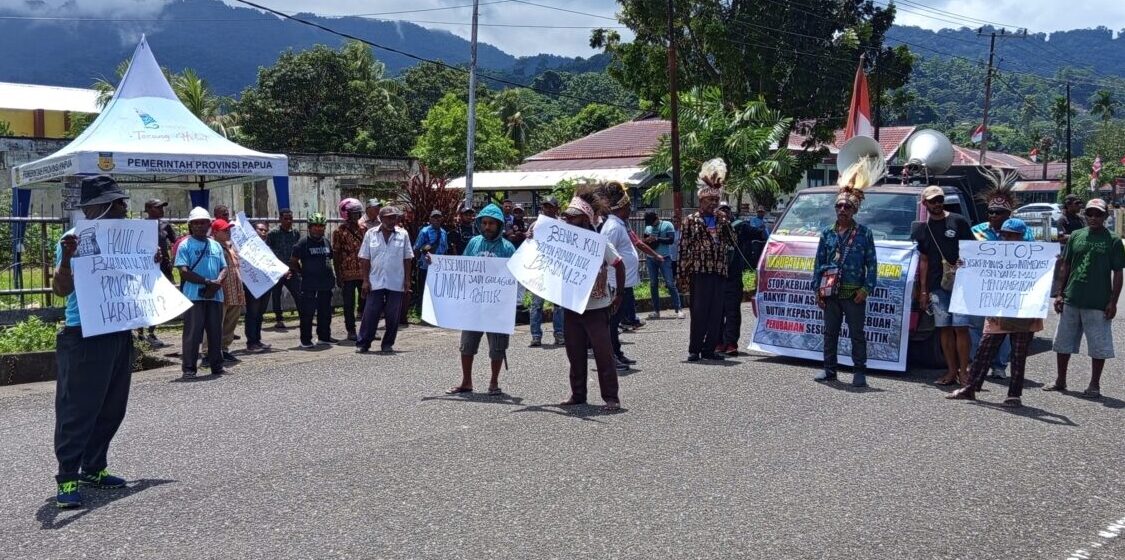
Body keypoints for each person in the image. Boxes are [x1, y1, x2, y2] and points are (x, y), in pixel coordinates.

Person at [50, 176, 138, 508]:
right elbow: (60, 290)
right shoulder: (72, 240)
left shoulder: (125, 240)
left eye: (122, 203)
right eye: (117, 203)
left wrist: (150, 263)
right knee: (78, 409)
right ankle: (68, 477)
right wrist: (68, 260)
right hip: (84, 335)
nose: (123, 208)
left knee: (112, 406)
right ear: (95, 209)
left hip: (118, 330)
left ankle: (94, 467)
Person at [947, 219, 1042, 407]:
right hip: (998, 310)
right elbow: (979, 272)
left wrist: (1052, 262)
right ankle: (970, 388)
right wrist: (965, 264)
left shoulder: (1033, 256)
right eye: (1005, 234)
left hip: (1023, 312)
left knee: (1018, 354)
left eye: (1012, 235)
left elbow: (1043, 279)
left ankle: (1014, 395)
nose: (1007, 238)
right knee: (984, 349)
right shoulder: (994, 253)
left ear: (1021, 236)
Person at [1045, 198, 1124, 399]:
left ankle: (1094, 384)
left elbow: (1118, 273)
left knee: (1098, 345)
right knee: (1063, 342)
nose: (1094, 218)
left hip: (1098, 301)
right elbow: (1066, 265)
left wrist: (1113, 302)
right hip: (1072, 298)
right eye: (1090, 213)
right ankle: (1060, 380)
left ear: (1106, 216)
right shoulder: (1076, 237)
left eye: (1098, 214)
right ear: (1085, 215)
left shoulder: (1113, 240)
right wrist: (1060, 293)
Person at [809, 161, 880, 387]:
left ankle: (860, 371)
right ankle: (829, 370)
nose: (842, 210)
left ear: (855, 209)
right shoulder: (826, 234)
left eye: (847, 207)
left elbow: (872, 264)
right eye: (839, 206)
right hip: (830, 293)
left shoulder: (864, 233)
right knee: (830, 333)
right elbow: (818, 263)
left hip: (853, 294)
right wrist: (817, 290)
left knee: (857, 334)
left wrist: (866, 289)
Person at [558, 183, 626, 412]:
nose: (567, 220)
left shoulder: (599, 242)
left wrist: (619, 295)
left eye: (572, 217)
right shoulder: (564, 241)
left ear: (585, 219)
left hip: (597, 306)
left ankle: (611, 397)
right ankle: (578, 394)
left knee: (602, 352)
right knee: (574, 352)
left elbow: (619, 264)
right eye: (566, 216)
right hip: (571, 305)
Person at [966, 171, 1032, 380]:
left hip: (1010, 288)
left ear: (1008, 215)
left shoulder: (1024, 233)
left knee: (1005, 327)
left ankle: (1000, 365)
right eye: (991, 211)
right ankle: (978, 363)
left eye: (999, 212)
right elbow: (967, 255)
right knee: (978, 326)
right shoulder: (976, 231)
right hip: (981, 286)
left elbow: (1034, 258)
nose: (993, 215)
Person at [445, 203, 517, 396]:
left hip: (497, 307)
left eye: (491, 223)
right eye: (484, 223)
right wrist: (434, 264)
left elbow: (514, 275)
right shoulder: (474, 243)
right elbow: (462, 268)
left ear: (499, 225)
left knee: (497, 347)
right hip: (473, 305)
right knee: (467, 345)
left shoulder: (508, 248)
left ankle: (494, 382)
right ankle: (466, 382)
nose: (487, 227)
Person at [911, 185, 975, 386]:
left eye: (940, 200)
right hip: (937, 286)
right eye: (933, 201)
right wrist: (923, 290)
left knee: (961, 327)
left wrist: (964, 261)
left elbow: (971, 249)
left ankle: (964, 372)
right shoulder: (922, 228)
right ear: (925, 204)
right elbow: (924, 260)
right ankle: (950, 372)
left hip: (960, 283)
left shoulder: (958, 221)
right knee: (944, 328)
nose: (937, 204)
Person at [678, 159, 734, 362]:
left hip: (718, 271)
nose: (713, 204)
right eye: (709, 201)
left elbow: (732, 242)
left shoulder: (721, 220)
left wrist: (727, 223)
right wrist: (682, 275)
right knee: (699, 312)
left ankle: (709, 349)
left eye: (715, 201)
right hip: (699, 272)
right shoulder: (690, 221)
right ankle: (695, 349)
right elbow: (683, 248)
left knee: (716, 313)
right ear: (700, 201)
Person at [599, 182, 650, 369]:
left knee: (617, 321)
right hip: (614, 283)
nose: (630, 209)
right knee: (612, 322)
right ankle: (611, 356)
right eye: (628, 206)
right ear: (621, 207)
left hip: (624, 283)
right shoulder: (613, 227)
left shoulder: (619, 225)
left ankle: (617, 352)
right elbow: (604, 254)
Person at [176, 207, 228, 381]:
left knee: (215, 332)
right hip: (194, 296)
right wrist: (207, 282)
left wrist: (218, 282)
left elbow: (224, 267)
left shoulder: (215, 245)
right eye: (196, 223)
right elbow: (183, 271)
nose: (199, 226)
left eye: (203, 222)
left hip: (215, 294)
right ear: (190, 225)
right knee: (193, 333)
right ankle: (189, 369)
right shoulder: (185, 245)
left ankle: (217, 365)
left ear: (209, 224)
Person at [356, 206, 414, 354]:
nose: (391, 220)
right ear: (381, 219)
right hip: (375, 281)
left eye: (394, 217)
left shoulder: (403, 234)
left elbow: (407, 258)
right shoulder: (371, 234)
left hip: (396, 281)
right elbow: (365, 258)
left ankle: (387, 343)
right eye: (388, 217)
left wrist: (407, 280)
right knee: (370, 313)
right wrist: (365, 280)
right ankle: (364, 342)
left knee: (392, 315)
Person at [716, 201, 766, 356]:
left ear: (730, 213)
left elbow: (760, 234)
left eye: (726, 210)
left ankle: (731, 342)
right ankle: (717, 341)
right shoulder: (710, 228)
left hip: (734, 276)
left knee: (732, 311)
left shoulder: (740, 227)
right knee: (717, 312)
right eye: (720, 210)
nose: (723, 213)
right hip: (716, 277)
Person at [291, 212, 337, 348]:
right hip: (309, 284)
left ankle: (324, 337)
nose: (319, 229)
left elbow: (330, 259)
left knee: (325, 312)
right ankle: (306, 340)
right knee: (307, 314)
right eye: (315, 226)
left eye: (321, 226)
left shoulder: (326, 241)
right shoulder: (303, 243)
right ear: (309, 227)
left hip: (325, 284)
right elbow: (293, 261)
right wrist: (302, 273)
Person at [135, 198, 175, 348]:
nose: (161, 210)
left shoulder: (166, 225)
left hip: (163, 268)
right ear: (149, 209)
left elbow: (175, 243)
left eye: (162, 207)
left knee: (158, 300)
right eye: (158, 207)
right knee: (143, 300)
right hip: (145, 268)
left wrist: (173, 260)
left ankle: (151, 332)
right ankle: (140, 333)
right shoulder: (141, 226)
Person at [205, 218, 245, 363]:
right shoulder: (212, 247)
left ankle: (223, 349)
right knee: (215, 322)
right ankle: (208, 352)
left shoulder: (229, 246)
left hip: (234, 290)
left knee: (230, 322)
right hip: (221, 291)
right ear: (215, 232)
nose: (228, 231)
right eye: (225, 230)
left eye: (229, 229)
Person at [528, 197, 565, 347]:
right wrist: (528, 237)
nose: (547, 210)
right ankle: (536, 335)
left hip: (557, 271)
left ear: (557, 208)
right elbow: (528, 245)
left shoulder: (563, 225)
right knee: (537, 305)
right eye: (545, 207)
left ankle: (560, 333)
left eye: (550, 207)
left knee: (559, 305)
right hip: (540, 270)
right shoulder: (535, 225)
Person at [333, 200, 368, 341]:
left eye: (358, 213)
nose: (356, 216)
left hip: (363, 271)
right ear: (346, 214)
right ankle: (351, 329)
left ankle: (367, 328)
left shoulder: (364, 229)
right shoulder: (339, 231)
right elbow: (336, 254)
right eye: (353, 213)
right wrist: (338, 274)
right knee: (348, 303)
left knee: (365, 301)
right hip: (346, 272)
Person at [643, 211, 684, 320]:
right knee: (653, 284)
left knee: (670, 283)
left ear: (657, 217)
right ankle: (656, 311)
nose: (651, 224)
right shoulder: (648, 228)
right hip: (651, 258)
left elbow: (671, 240)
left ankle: (679, 309)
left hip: (665, 258)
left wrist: (657, 239)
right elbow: (644, 242)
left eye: (652, 222)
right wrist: (648, 240)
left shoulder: (667, 225)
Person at [266, 208, 302, 329]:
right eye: (285, 219)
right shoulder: (273, 233)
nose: (288, 221)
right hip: (277, 270)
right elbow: (268, 251)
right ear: (280, 219)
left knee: (299, 293)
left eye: (290, 218)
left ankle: (304, 317)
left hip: (291, 269)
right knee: (276, 294)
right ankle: (279, 319)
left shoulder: (295, 233)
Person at [243, 221, 273, 353]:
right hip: (253, 286)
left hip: (265, 285)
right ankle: (251, 342)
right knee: (252, 313)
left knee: (260, 313)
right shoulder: (247, 248)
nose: (263, 232)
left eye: (265, 230)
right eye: (260, 230)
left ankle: (257, 340)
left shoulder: (267, 247)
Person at [413, 209, 450, 313]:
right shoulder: (424, 231)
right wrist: (419, 261)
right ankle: (422, 309)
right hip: (425, 266)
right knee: (424, 288)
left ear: (441, 219)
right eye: (434, 218)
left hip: (439, 267)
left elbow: (445, 249)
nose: (437, 220)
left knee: (436, 289)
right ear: (430, 219)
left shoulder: (443, 232)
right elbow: (416, 248)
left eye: (439, 217)